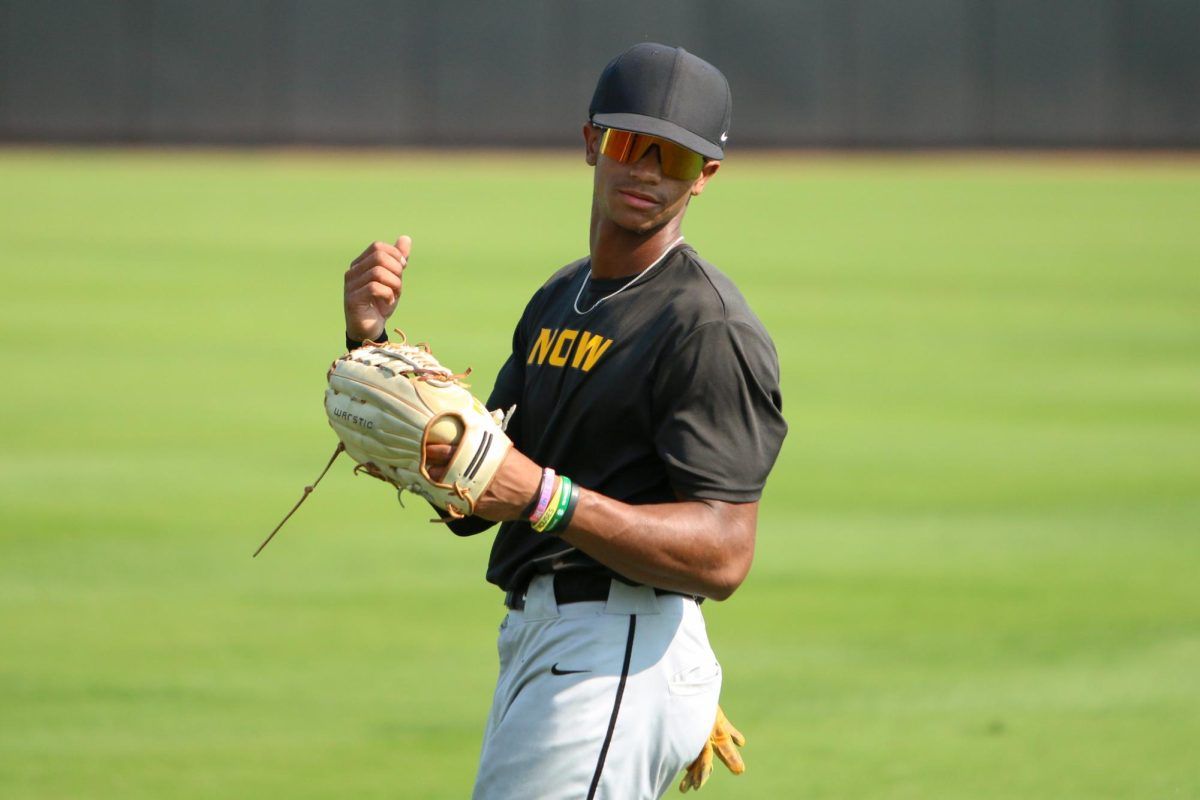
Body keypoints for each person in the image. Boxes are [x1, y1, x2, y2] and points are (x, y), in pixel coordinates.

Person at [341, 43, 787, 800]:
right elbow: (476, 490)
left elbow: (724, 555)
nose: (649, 171)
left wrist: (548, 500)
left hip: (613, 655)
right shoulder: (560, 297)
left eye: (676, 157)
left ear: (705, 176)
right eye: (631, 143)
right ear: (591, 142)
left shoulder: (704, 324)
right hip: (559, 648)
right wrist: (372, 344)